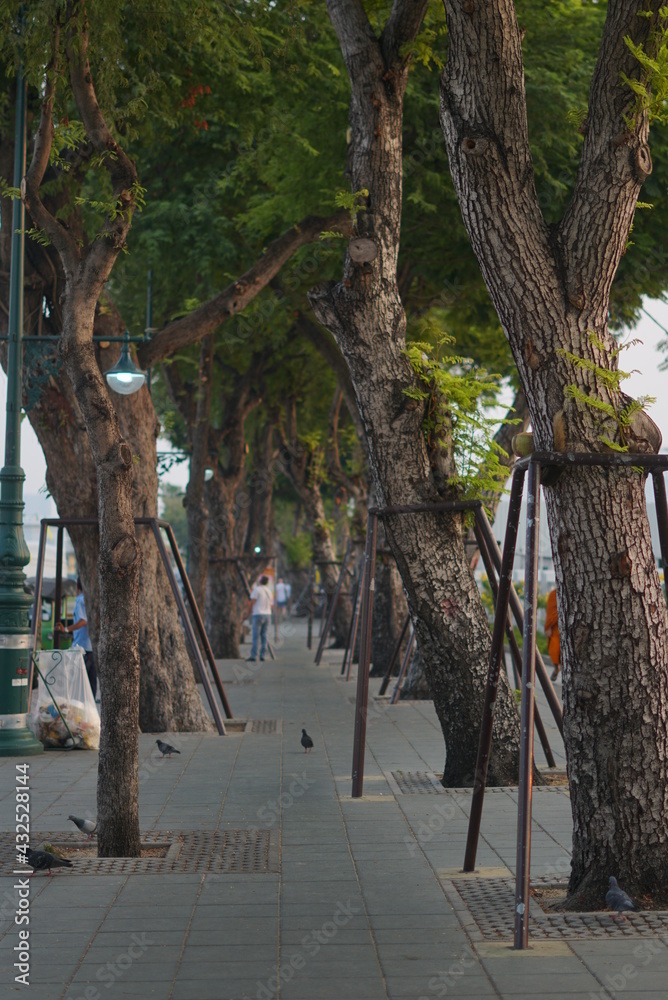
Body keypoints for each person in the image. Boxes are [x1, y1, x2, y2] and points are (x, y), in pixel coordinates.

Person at [55, 577, 97, 699]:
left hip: (81, 647)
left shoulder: (80, 600)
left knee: (77, 683)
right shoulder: (92, 600)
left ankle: (81, 708)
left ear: (78, 588)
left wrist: (67, 629)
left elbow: (83, 620)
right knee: (91, 682)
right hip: (91, 647)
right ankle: (91, 709)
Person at [246, 575, 273, 662]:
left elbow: (252, 601)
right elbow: (272, 605)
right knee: (264, 635)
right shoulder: (269, 591)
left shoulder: (257, 589)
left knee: (255, 636)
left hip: (258, 614)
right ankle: (263, 655)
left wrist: (248, 611)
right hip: (267, 614)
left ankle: (253, 656)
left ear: (260, 581)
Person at [544, 587, 560, 682]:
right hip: (555, 627)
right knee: (554, 651)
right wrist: (548, 626)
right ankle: (556, 668)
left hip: (568, 626)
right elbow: (550, 612)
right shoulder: (554, 594)